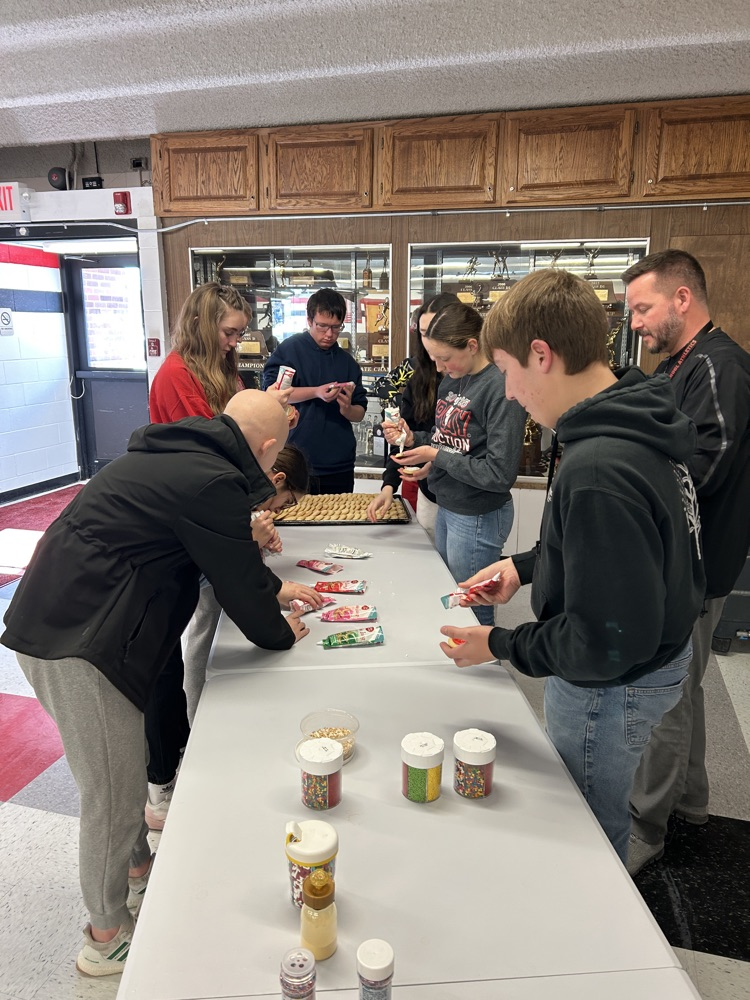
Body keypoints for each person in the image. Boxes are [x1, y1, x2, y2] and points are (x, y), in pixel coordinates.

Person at [1, 390, 312, 976]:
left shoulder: (183, 456)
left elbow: (223, 556)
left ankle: (137, 874)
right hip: (79, 643)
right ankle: (104, 935)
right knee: (115, 798)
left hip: (70, 624)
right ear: (269, 447)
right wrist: (280, 630)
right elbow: (238, 590)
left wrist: (273, 591)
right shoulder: (212, 480)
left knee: (116, 777)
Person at [439, 269, 705, 864]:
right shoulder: (636, 418)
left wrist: (499, 643)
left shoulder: (597, 467)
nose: (508, 393)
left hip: (611, 686)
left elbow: (599, 643)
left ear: (541, 355)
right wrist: (527, 567)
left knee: (581, 818)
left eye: (507, 372)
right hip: (658, 655)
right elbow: (632, 550)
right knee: (593, 803)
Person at [144, 283, 310, 829]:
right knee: (196, 630)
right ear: (200, 323)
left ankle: (201, 726)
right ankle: (192, 735)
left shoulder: (224, 369)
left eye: (240, 332)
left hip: (218, 512)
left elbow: (240, 440)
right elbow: (212, 457)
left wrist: (274, 420)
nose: (235, 341)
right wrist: (274, 617)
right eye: (228, 331)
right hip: (190, 522)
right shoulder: (175, 375)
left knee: (219, 612)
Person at [622, 249, 750, 874]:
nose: (636, 322)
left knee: (664, 693)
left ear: (682, 299)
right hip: (686, 560)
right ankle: (691, 802)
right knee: (688, 686)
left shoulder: (718, 365)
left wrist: (632, 495)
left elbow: (704, 462)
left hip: (696, 565)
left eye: (642, 308)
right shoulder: (678, 364)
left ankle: (644, 828)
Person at [391, 302, 526, 625]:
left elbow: (498, 474)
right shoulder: (454, 377)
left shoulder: (500, 387)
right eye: (434, 358)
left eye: (444, 358)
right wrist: (417, 443)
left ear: (472, 345)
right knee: (452, 594)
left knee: (473, 607)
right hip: (449, 504)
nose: (438, 368)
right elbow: (449, 442)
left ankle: (482, 670)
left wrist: (437, 457)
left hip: (477, 512)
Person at [182, 442, 314, 725]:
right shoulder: (227, 491)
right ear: (277, 480)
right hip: (186, 588)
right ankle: (195, 722)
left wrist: (261, 545)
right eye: (287, 502)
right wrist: (278, 625)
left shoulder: (243, 493)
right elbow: (227, 561)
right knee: (205, 638)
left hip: (202, 581)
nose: (280, 511)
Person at [367, 293, 459, 540]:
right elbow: (402, 437)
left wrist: (434, 458)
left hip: (467, 500)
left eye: (436, 333)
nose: (430, 343)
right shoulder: (417, 373)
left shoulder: (478, 379)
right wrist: (389, 485)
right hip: (430, 492)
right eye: (424, 333)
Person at [262, 288, 368, 494]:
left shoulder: (347, 362)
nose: (329, 334)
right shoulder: (289, 350)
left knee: (339, 520)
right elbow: (272, 393)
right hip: (296, 459)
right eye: (322, 326)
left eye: (336, 327)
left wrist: (347, 409)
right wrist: (316, 392)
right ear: (309, 320)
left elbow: (360, 412)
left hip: (339, 463)